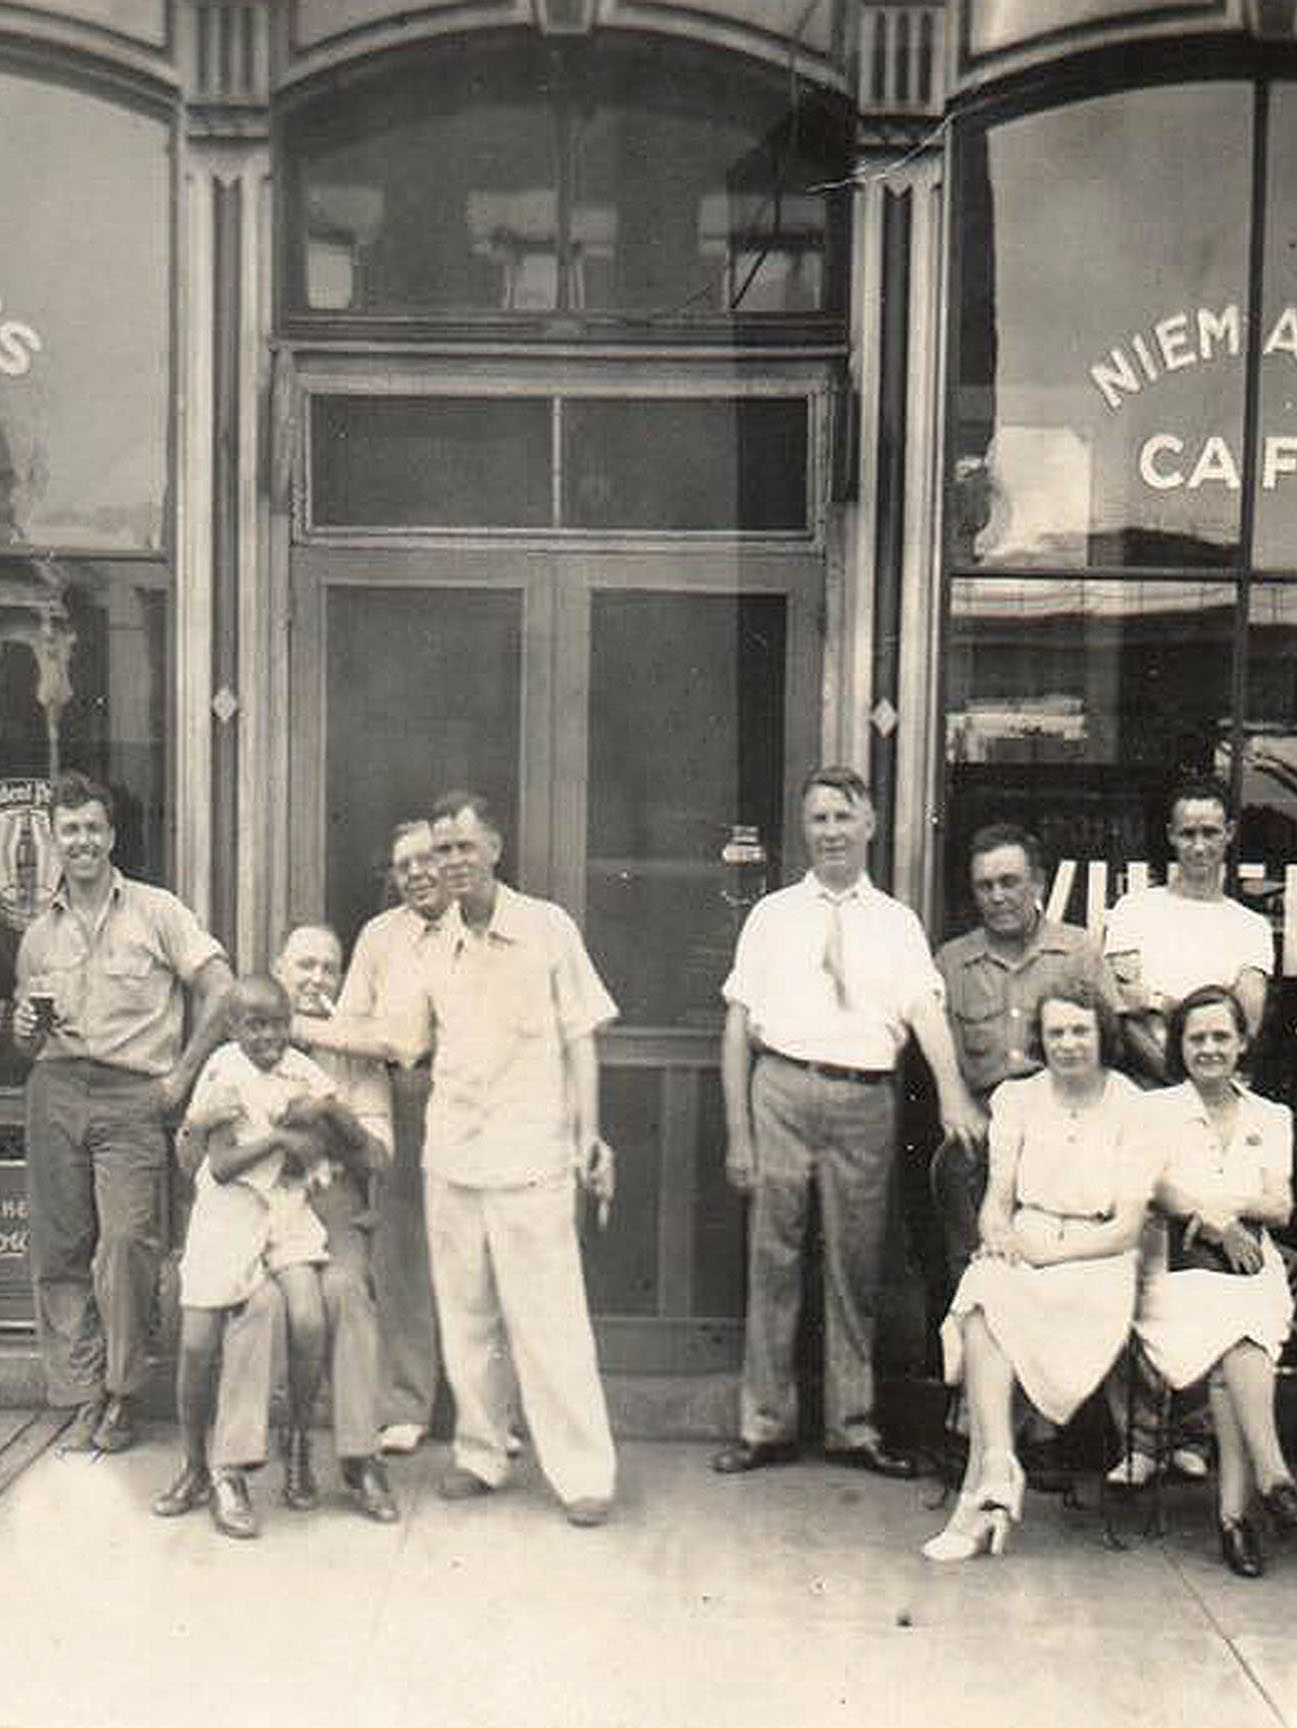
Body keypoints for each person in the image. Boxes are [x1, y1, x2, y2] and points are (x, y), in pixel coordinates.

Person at [712, 766, 985, 1479]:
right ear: (804, 829)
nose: (831, 831)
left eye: (843, 816)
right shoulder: (772, 915)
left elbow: (924, 1010)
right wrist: (739, 1132)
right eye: (819, 818)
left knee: (855, 1265)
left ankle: (851, 1426)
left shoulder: (896, 922)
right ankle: (764, 1424)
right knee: (772, 1260)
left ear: (869, 825)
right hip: (781, 1087)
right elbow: (738, 1026)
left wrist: (953, 1094)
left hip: (864, 1098)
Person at [12, 770, 232, 1454]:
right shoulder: (37, 934)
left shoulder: (156, 911)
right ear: (55, 837)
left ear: (111, 835)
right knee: (60, 1249)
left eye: (92, 827)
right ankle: (82, 1393)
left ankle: (123, 1390)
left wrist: (180, 1078)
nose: (81, 840)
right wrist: (21, 1029)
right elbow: (28, 1041)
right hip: (55, 1089)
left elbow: (222, 989)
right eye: (69, 829)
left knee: (127, 1244)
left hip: (132, 1095)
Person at [419, 790, 618, 1527]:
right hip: (453, 1155)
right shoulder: (430, 943)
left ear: (495, 849)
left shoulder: (546, 928)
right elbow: (402, 1037)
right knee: (465, 1318)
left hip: (532, 1156)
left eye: (465, 847)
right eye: (443, 849)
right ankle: (480, 1453)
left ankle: (584, 1473)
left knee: (549, 1320)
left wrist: (589, 1134)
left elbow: (580, 1037)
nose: (454, 861)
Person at [922, 985, 1148, 1561]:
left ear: (1102, 1034)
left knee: (987, 1307)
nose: (1068, 1043)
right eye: (1056, 1032)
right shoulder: (1017, 1099)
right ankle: (999, 1465)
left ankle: (980, 1495)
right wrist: (998, 1236)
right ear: (1041, 1040)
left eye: (1080, 1030)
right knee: (983, 1287)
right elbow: (997, 1203)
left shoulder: (1131, 1104)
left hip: (1098, 1259)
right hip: (1030, 1237)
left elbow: (1126, 1229)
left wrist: (1051, 1256)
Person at [1103, 774, 1275, 1487]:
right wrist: (1177, 1070)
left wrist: (1174, 1024)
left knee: (1206, 1266)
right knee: (1142, 1269)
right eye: (1186, 832)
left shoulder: (1247, 926)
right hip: (1147, 1101)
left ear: (1228, 834)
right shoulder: (1135, 911)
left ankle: (1194, 1432)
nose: (1199, 845)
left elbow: (1244, 1019)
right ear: (1169, 837)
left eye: (1211, 831)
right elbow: (1123, 1013)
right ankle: (1141, 1439)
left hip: (1214, 1112)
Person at [157, 973, 371, 1536]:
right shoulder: (223, 1071)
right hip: (226, 1217)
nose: (268, 1037)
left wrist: (319, 1112)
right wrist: (279, 1139)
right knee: (198, 1343)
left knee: (308, 1317)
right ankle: (195, 1466)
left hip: (286, 1214)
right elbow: (222, 1166)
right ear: (232, 1028)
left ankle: (297, 1441)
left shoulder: (301, 1070)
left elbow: (335, 1139)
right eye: (254, 1026)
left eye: (277, 1024)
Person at [1130, 985, 1297, 1579]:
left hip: (1251, 1268)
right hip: (1175, 1269)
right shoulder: (1154, 1111)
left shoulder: (1271, 1117)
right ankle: (1268, 1480)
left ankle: (1239, 1516)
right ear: (1180, 1046)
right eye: (1196, 1037)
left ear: (1242, 1043)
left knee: (1240, 1328)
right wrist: (1214, 1219)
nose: (1209, 1048)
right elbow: (1152, 1187)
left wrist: (1228, 1211)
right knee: (1237, 1328)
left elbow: (1280, 1206)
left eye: (1221, 1036)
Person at [934, 823, 1119, 1291]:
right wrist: (964, 1112)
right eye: (985, 885)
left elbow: (1109, 1047)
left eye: (1009, 882)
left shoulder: (1078, 950)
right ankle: (969, 1311)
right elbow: (943, 1059)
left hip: (1065, 1112)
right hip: (985, 1117)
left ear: (1038, 883)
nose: (997, 896)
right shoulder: (952, 963)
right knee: (955, 1167)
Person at [274, 923, 400, 1522]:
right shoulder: (249, 1035)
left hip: (333, 1205)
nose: (317, 979)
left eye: (329, 968)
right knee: (273, 1305)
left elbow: (378, 1157)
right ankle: (295, 1440)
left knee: (347, 1292)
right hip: (263, 1208)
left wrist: (333, 1117)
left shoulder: (354, 1051)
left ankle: (359, 1456)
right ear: (280, 969)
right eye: (305, 965)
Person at [335, 820, 447, 1454]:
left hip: (475, 1095)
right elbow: (352, 1022)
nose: (415, 874)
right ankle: (407, 1404)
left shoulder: (477, 926)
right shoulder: (379, 937)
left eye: (426, 859)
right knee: (402, 1255)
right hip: (404, 1093)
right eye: (403, 865)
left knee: (477, 1250)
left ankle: (493, 1414)